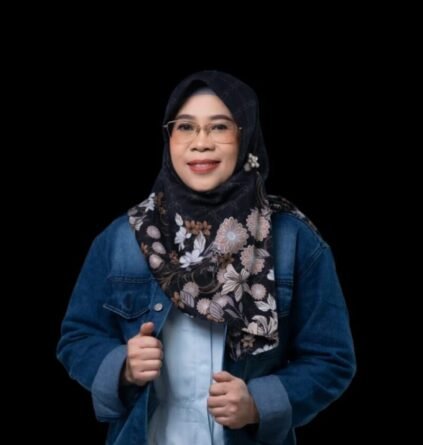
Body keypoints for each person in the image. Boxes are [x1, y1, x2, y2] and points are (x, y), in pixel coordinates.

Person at [57, 70, 356, 445]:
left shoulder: (294, 241)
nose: (201, 143)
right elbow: (77, 338)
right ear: (169, 139)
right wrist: (123, 367)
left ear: (246, 136)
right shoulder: (123, 238)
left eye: (219, 127)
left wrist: (259, 404)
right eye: (185, 127)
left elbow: (332, 358)